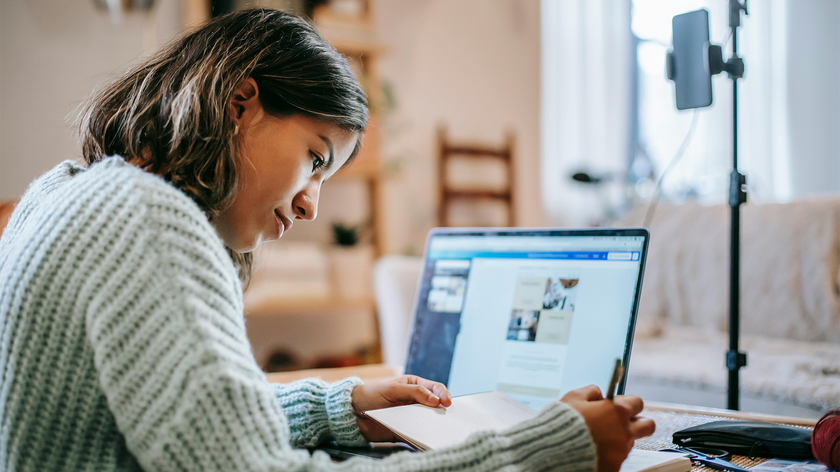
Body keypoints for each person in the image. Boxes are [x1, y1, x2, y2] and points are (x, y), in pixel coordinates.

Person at [0, 9, 654, 472]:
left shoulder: (67, 191)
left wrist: (347, 406)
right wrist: (542, 450)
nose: (312, 204)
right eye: (315, 159)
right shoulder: (149, 221)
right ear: (239, 104)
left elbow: (191, 421)